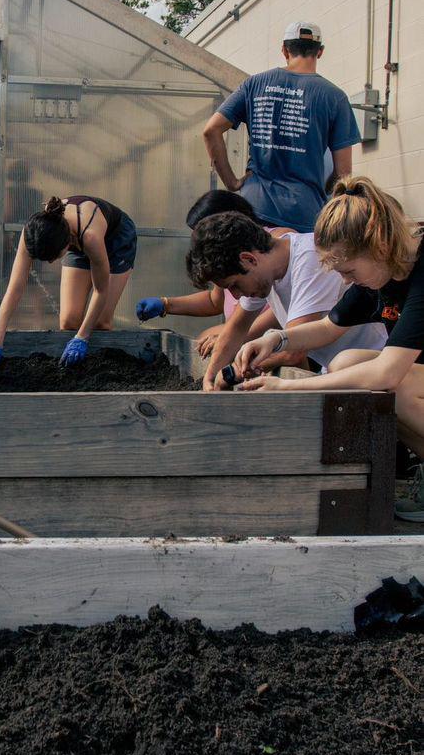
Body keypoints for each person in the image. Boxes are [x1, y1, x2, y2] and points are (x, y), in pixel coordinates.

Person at [233, 177, 424, 520]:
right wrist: (276, 338)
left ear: (378, 245)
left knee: (395, 382)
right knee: (346, 363)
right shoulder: (383, 269)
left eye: (348, 271)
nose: (347, 280)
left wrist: (288, 386)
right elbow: (326, 328)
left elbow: (388, 371)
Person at [186, 211, 387, 391]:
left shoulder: (309, 259)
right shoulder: (266, 272)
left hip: (372, 368)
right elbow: (236, 329)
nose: (236, 295)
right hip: (335, 371)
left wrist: (232, 373)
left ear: (249, 259)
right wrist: (210, 378)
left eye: (234, 285)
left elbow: (294, 354)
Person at [202, 22, 361, 232]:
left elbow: (211, 130)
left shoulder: (254, 84)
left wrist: (232, 182)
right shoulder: (334, 97)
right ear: (320, 52)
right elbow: (343, 173)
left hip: (254, 207)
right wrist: (322, 193)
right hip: (305, 212)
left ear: (285, 50)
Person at [0, 195, 137, 367]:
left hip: (115, 239)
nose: (50, 263)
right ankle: (74, 367)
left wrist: (82, 337)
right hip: (75, 237)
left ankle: (100, 367)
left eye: (53, 257)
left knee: (100, 322)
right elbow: (15, 288)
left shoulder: (90, 236)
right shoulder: (34, 231)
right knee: (69, 321)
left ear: (65, 244)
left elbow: (100, 291)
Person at [135, 189, 282, 357]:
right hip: (244, 336)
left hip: (273, 340)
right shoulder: (226, 257)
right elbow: (215, 301)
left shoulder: (276, 243)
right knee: (205, 340)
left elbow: (283, 310)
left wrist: (233, 336)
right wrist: (166, 304)